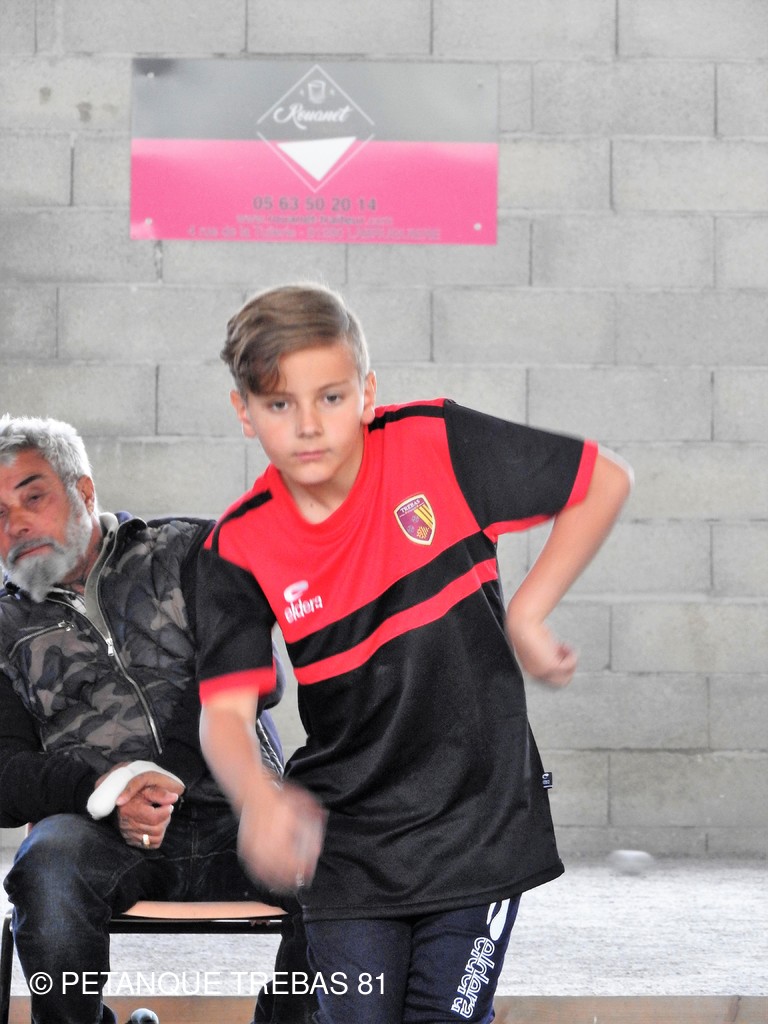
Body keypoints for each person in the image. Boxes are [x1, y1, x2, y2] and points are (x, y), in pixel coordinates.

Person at [195, 283, 634, 1024]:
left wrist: (528, 613)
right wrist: (257, 797)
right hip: (349, 839)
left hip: (477, 819)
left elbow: (603, 481)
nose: (308, 425)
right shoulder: (236, 547)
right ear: (244, 412)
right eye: (278, 404)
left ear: (366, 392)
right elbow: (226, 714)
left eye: (331, 397)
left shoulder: (436, 442)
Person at [0, 415, 316, 1024]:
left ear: (83, 491)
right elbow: (4, 772)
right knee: (47, 869)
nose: (15, 525)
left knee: (345, 854)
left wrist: (163, 774)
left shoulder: (191, 550)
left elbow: (254, 674)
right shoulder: (4, 628)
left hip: (237, 807)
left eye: (33, 497)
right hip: (100, 831)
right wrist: (101, 790)